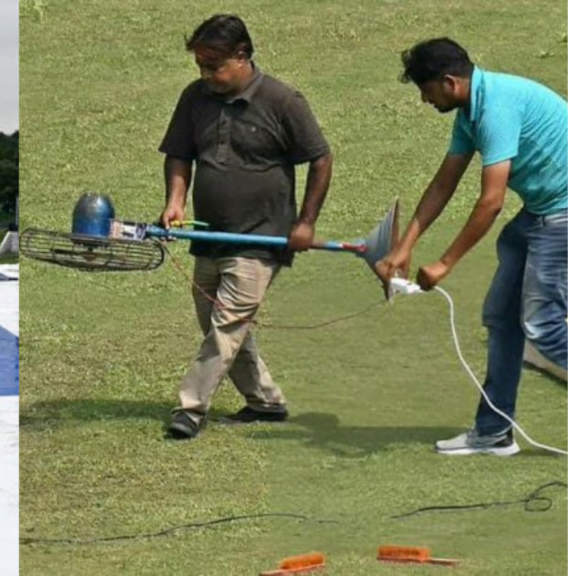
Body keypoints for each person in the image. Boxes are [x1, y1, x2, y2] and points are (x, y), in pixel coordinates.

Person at [376, 38, 567, 456]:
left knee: (544, 326)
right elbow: (444, 183)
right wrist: (405, 246)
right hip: (543, 210)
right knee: (502, 316)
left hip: (562, 213)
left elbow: (491, 201)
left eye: (426, 92)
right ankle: (494, 432)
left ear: (449, 82)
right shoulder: (470, 110)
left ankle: (494, 429)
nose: (425, 101)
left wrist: (445, 263)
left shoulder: (496, 109)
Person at [158, 14, 333, 439]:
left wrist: (306, 223)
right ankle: (265, 401)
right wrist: (175, 201)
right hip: (209, 236)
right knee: (217, 323)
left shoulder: (283, 100)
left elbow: (321, 159)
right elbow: (179, 154)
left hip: (261, 236)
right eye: (200, 65)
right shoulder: (195, 97)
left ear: (242, 56)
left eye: (213, 65)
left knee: (227, 325)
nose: (206, 74)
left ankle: (190, 408)